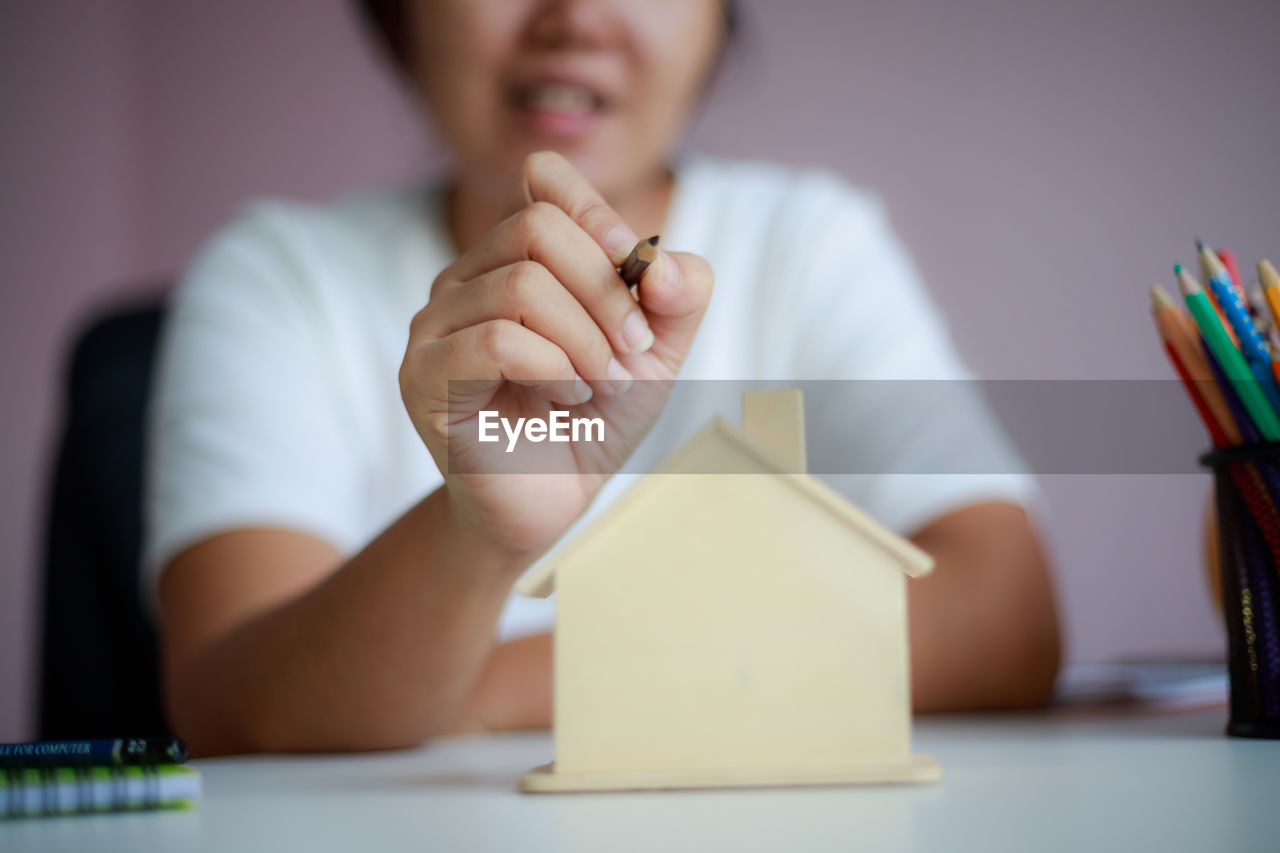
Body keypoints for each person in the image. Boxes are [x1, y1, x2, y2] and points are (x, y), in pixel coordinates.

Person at [145, 0, 1061, 757]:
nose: (576, 18)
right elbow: (231, 710)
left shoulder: (810, 244)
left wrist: (475, 689)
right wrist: (479, 532)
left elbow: (1003, 616)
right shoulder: (279, 276)